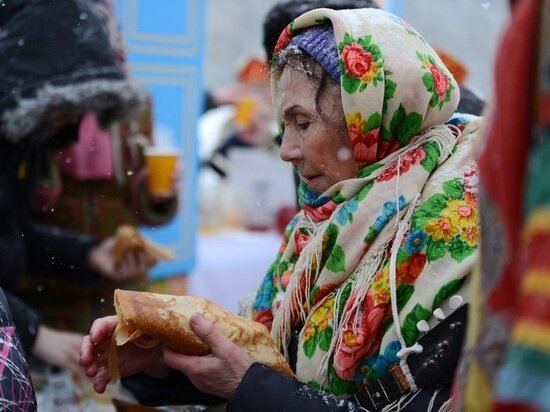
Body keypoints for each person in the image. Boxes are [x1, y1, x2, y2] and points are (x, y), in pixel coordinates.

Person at [81, 7, 482, 411]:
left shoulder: (455, 233)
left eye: (303, 123)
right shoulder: (326, 221)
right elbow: (274, 364)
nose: (287, 151)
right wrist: (167, 360)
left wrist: (249, 387)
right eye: (283, 126)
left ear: (369, 122)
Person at [0, 0, 152, 377]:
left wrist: (89, 254)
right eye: (64, 103)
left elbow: (12, 238)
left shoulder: (25, 140)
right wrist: (33, 333)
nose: (72, 119)